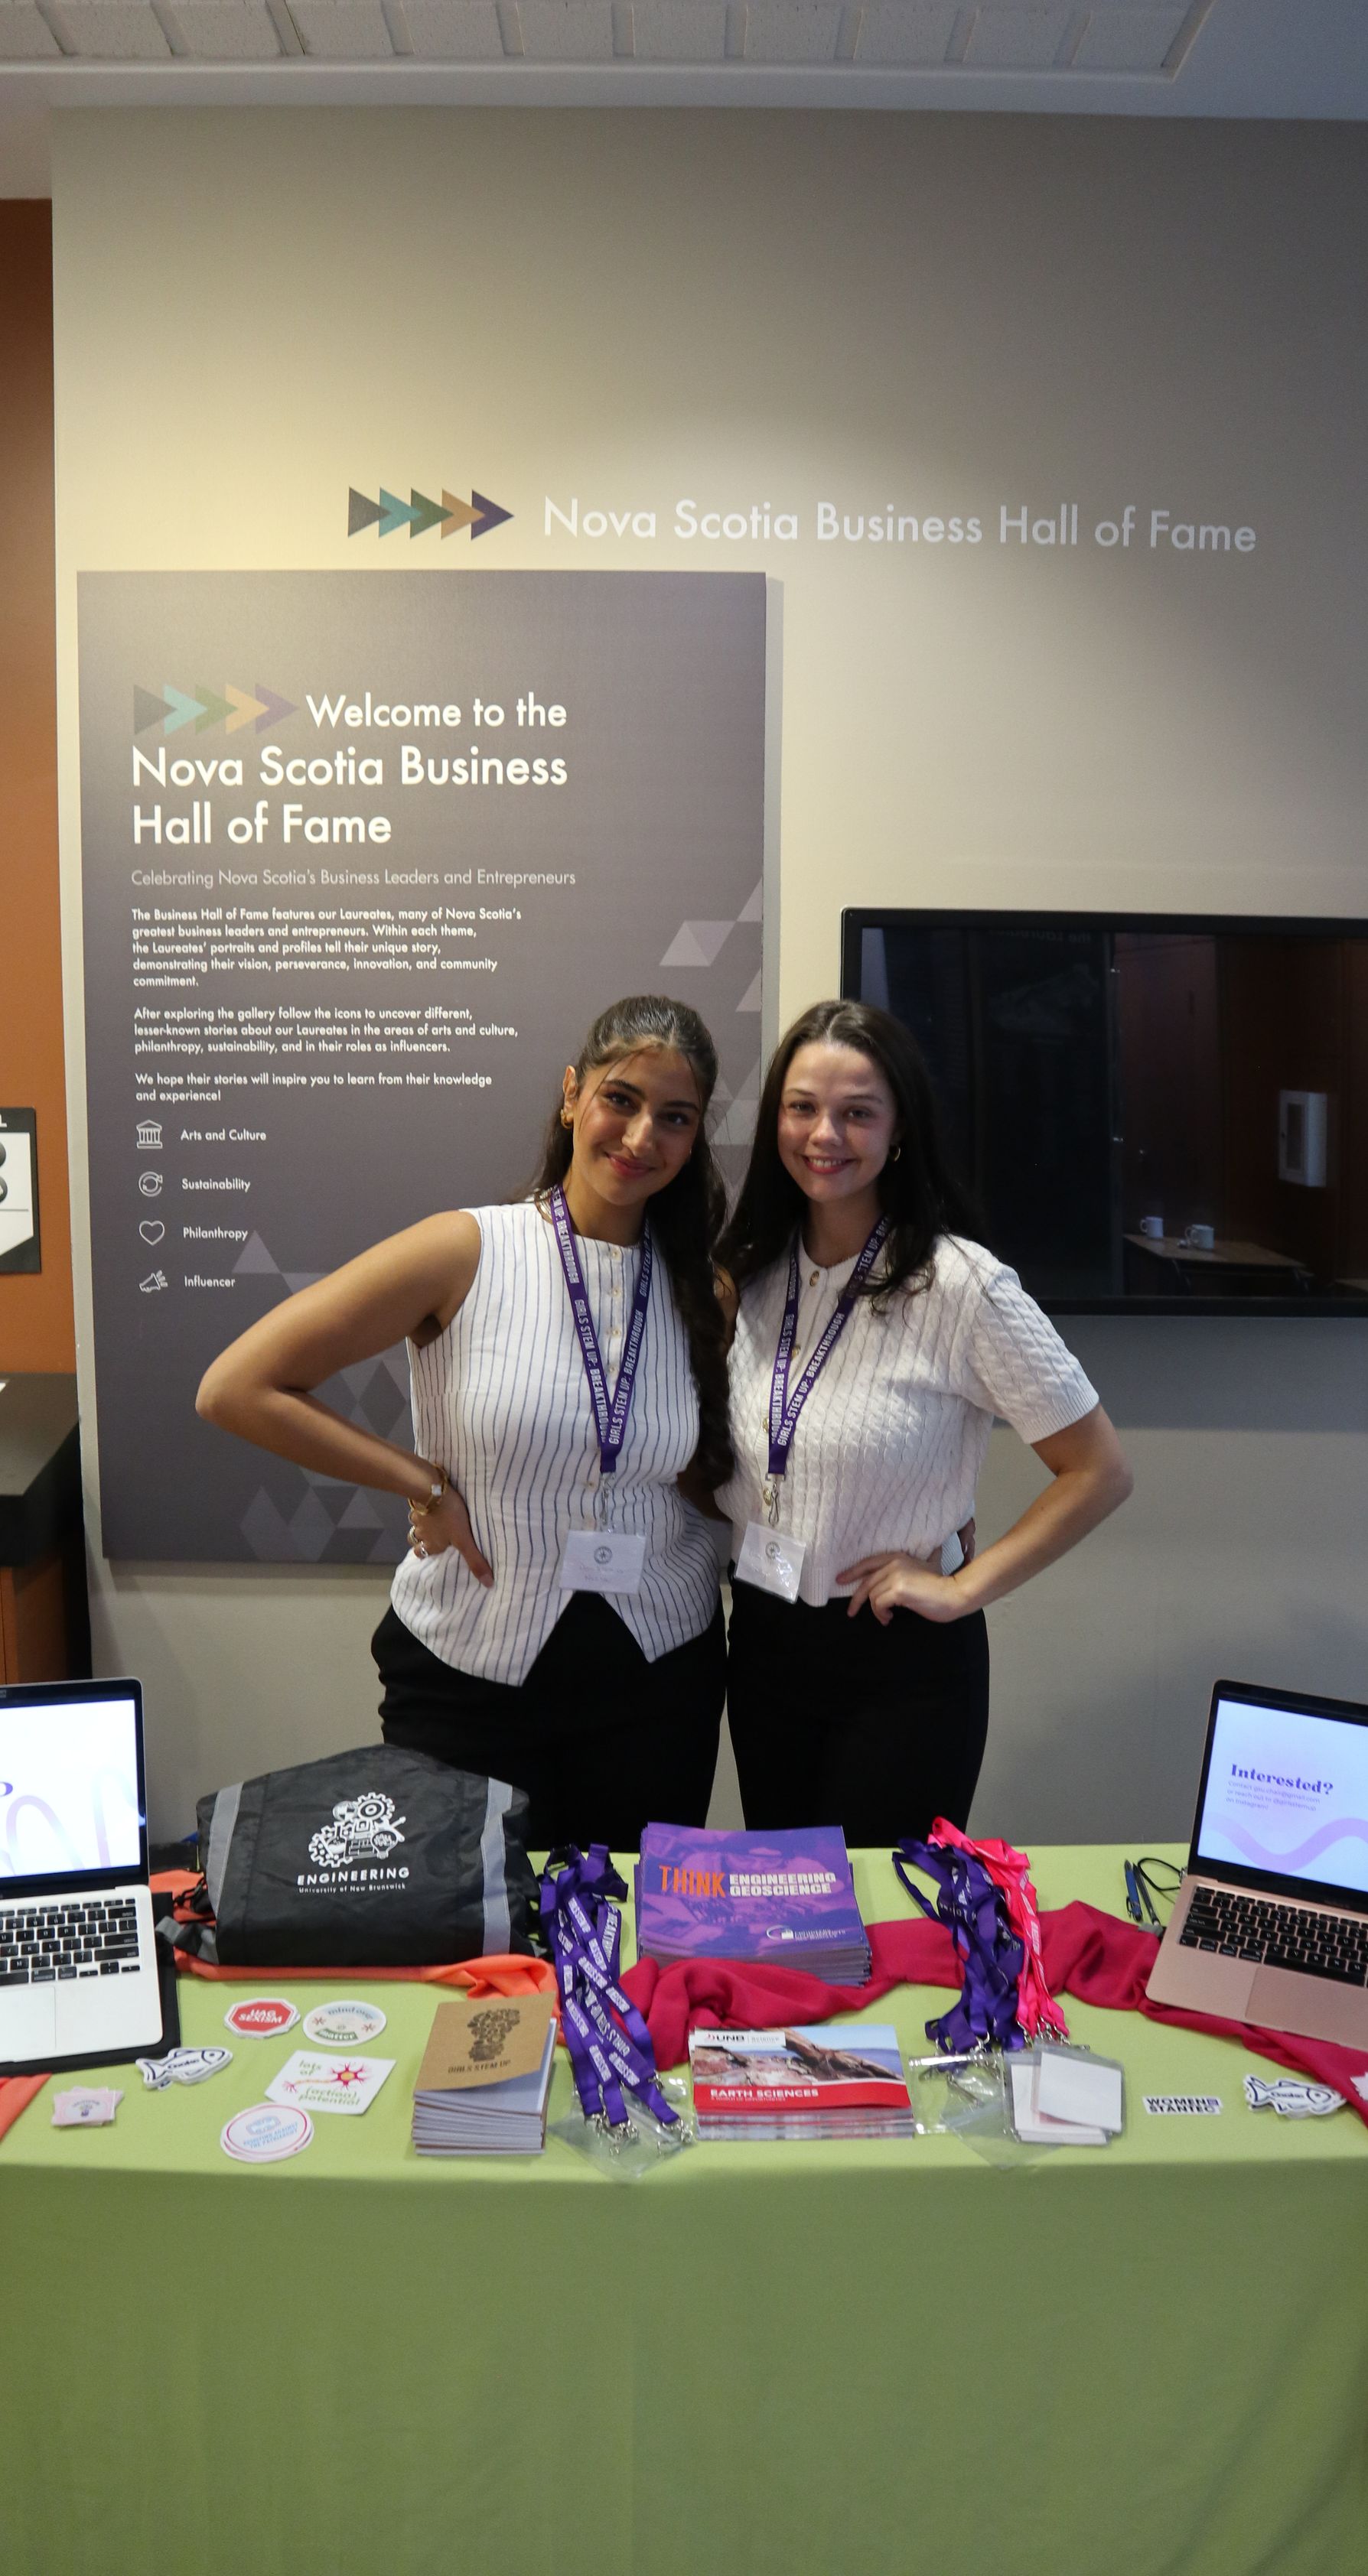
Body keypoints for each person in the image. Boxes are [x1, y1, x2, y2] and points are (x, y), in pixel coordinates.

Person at [196, 994, 733, 1852]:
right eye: (621, 1099)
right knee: (468, 1926)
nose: (641, 1138)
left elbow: (705, 1477)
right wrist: (422, 1482)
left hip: (659, 1681)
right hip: (470, 1677)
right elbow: (237, 1387)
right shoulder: (464, 1252)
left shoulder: (703, 1289)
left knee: (633, 1925)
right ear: (572, 1095)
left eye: (675, 1117)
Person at [717, 997, 1132, 1847]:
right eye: (802, 1107)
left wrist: (962, 1588)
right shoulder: (751, 1274)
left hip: (899, 1664)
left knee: (888, 1911)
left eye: (857, 1112)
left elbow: (1099, 1471)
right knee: (791, 1904)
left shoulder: (960, 1286)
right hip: (764, 1643)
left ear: (899, 1128)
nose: (824, 1134)